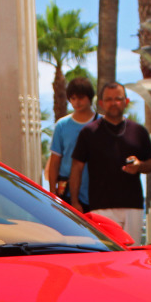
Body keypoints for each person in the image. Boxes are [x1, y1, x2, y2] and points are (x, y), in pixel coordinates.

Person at [67, 82, 151, 244]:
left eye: (118, 99)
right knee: (106, 256)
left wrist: (139, 166)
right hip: (101, 207)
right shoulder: (89, 132)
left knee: (132, 254)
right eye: (108, 99)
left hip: (133, 206)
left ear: (126, 102)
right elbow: (77, 167)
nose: (113, 103)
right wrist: (75, 201)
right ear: (101, 103)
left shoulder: (138, 131)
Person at [45, 76, 96, 208]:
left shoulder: (101, 123)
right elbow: (55, 161)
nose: (76, 102)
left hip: (95, 191)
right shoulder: (62, 125)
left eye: (80, 98)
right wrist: (52, 193)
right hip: (67, 190)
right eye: (72, 98)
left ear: (89, 97)